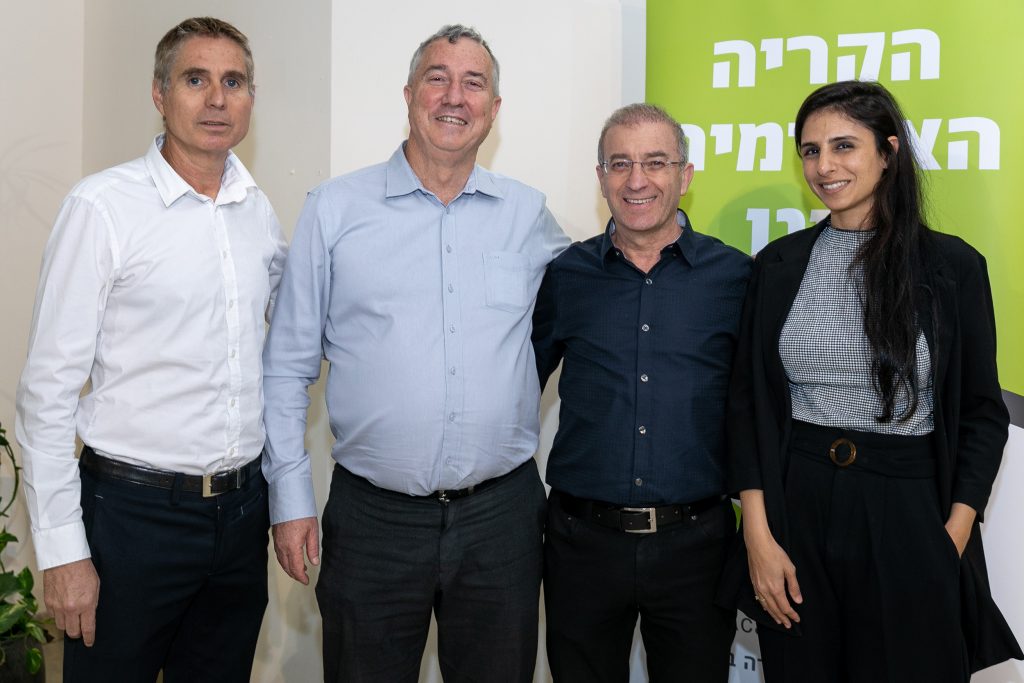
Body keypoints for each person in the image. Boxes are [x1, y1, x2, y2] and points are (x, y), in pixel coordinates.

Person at [262, 23, 569, 683]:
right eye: (437, 78)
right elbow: (286, 366)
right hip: (373, 519)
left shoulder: (528, 214)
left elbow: (595, 291)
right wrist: (289, 499)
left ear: (493, 108)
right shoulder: (334, 210)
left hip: (502, 519)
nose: (454, 96)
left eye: (473, 83)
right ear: (408, 94)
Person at [717, 80, 1023, 681]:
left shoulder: (952, 266)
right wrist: (757, 534)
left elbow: (981, 414)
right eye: (810, 151)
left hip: (906, 505)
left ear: (888, 152)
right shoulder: (777, 264)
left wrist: (952, 535)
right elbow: (748, 403)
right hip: (796, 504)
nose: (824, 167)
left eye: (843, 146)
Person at [15, 17, 286, 682]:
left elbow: (278, 350)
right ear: (160, 94)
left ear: (251, 99)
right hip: (130, 520)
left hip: (239, 516)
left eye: (234, 82)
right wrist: (63, 552)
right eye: (196, 79)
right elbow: (46, 394)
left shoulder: (258, 212)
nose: (217, 99)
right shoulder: (103, 208)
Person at [532, 103, 750, 682]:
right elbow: (516, 388)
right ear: (600, 176)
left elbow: (758, 410)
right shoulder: (565, 276)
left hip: (697, 546)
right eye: (620, 163)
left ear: (686, 174)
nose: (637, 180)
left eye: (656, 162)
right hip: (581, 545)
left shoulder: (735, 278)